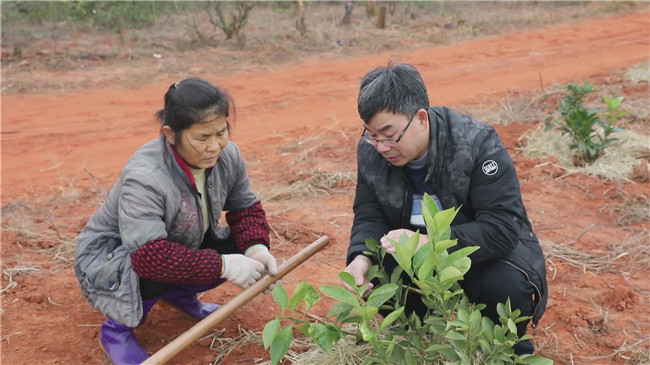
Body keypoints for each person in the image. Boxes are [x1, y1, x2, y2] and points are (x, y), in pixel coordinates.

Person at [343, 63, 548, 355]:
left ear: (421, 119)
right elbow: (369, 213)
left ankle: (505, 349)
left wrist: (431, 243)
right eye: (372, 135)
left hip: (477, 256)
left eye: (389, 135)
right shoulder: (371, 152)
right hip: (416, 259)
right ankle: (421, 341)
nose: (381, 147)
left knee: (505, 285)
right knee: (381, 267)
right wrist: (360, 258)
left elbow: (502, 229)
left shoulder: (475, 143)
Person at [74, 77, 280, 365]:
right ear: (171, 134)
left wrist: (256, 249)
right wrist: (225, 265)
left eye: (221, 132)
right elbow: (149, 257)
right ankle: (117, 330)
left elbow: (245, 208)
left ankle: (179, 295)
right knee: (156, 267)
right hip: (114, 259)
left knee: (238, 244)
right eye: (202, 138)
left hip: (181, 241)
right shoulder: (145, 177)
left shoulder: (227, 154)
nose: (214, 147)